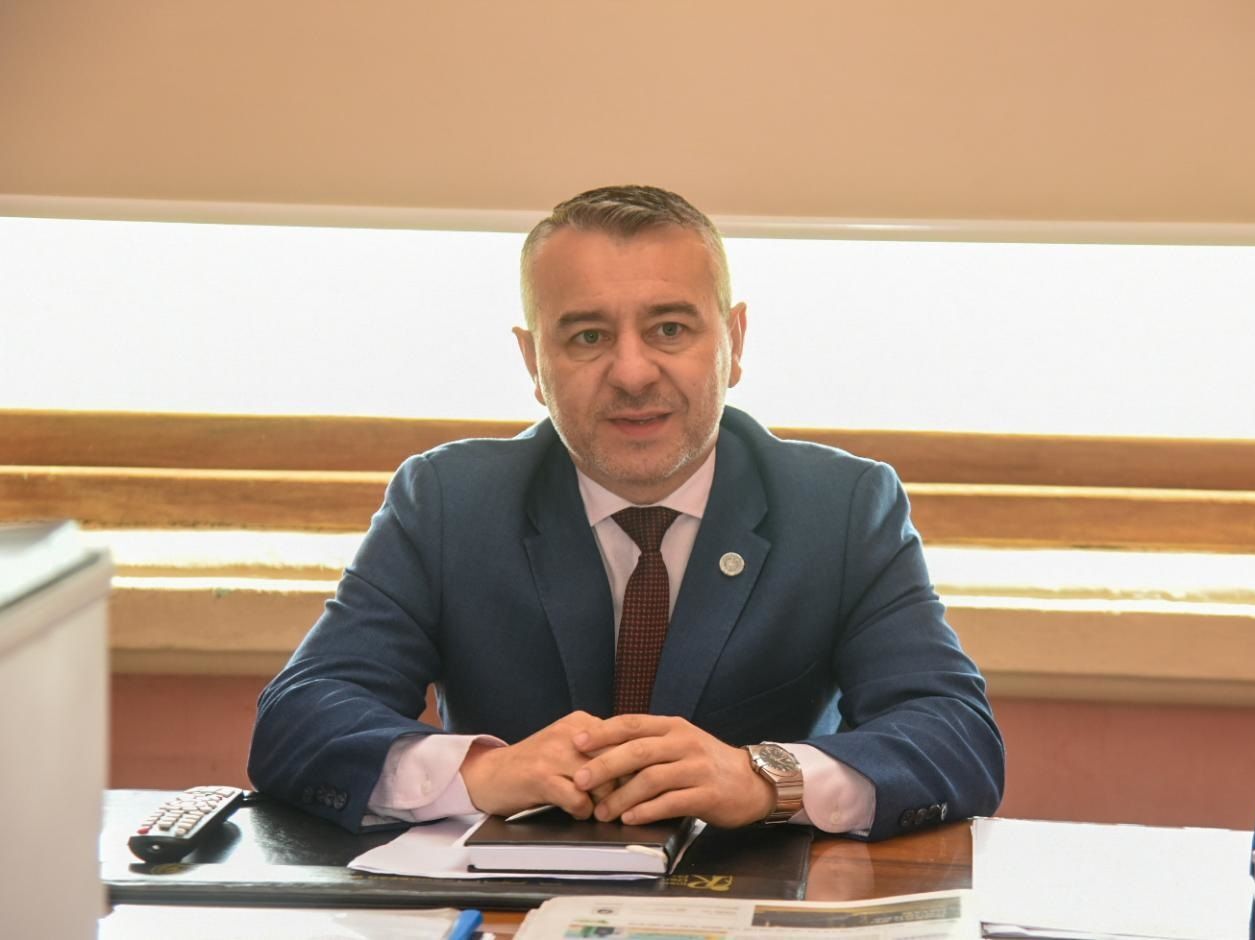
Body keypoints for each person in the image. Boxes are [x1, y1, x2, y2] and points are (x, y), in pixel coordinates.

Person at [248, 185, 1004, 841]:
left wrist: (764, 778)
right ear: (533, 363)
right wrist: (482, 771)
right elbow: (301, 718)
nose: (633, 372)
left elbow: (956, 737)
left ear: (734, 343)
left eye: (670, 328)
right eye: (588, 336)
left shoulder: (841, 507)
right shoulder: (448, 501)